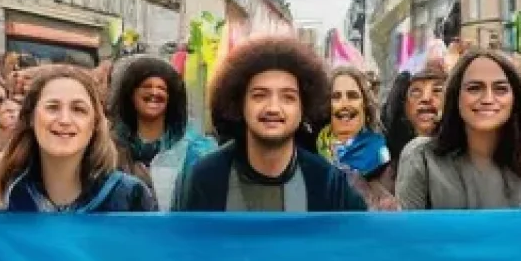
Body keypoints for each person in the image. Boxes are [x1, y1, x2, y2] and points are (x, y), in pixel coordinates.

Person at [174, 36, 366, 213]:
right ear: (240, 103)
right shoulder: (206, 178)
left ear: (303, 107)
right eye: (260, 95)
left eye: (288, 97)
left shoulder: (328, 183)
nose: (273, 108)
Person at [0, 65, 155, 219]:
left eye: (78, 109)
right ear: (31, 118)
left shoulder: (129, 197)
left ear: (95, 123)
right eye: (52, 107)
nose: (64, 120)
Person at [396, 48, 521, 210]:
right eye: (474, 88)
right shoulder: (420, 156)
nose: (488, 99)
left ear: (515, 98)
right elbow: (408, 235)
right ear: (455, 97)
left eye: (500, 89)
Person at [110, 56, 215, 210]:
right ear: (130, 94)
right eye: (146, 86)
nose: (154, 92)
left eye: (162, 89)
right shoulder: (108, 146)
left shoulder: (196, 150)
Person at [317, 66, 396, 209]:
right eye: (336, 97)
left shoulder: (382, 156)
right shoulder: (311, 151)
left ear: (364, 104)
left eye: (352, 96)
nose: (344, 103)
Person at [382, 59, 446, 165]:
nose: (425, 98)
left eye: (437, 90)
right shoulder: (382, 176)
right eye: (416, 92)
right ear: (404, 106)